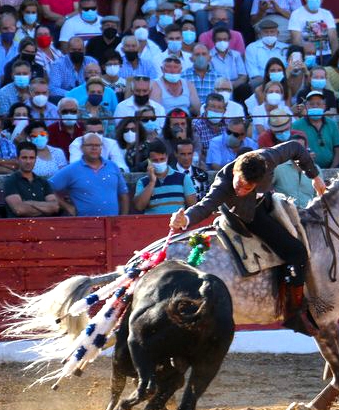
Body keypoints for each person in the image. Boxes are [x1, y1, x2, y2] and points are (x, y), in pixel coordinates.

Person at [169, 142, 326, 335]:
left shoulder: (268, 158)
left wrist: (315, 177)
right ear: (235, 171)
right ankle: (294, 312)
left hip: (267, 203)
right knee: (297, 252)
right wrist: (185, 219)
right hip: (243, 216)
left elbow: (297, 148)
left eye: (248, 187)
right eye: (240, 184)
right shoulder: (224, 185)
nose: (242, 190)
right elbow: (206, 206)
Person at [49, 132, 130, 217]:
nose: (94, 148)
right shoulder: (72, 169)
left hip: (111, 225)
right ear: (82, 148)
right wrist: (67, 207)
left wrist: (122, 220)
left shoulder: (112, 166)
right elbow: (46, 188)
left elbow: (123, 194)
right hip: (84, 226)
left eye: (97, 145)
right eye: (90, 145)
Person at [133, 140, 197, 215]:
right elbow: (139, 206)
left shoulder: (183, 178)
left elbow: (192, 207)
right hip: (152, 225)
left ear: (167, 158)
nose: (159, 162)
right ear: (149, 161)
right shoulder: (143, 182)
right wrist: (151, 182)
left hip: (177, 224)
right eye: (155, 160)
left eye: (162, 159)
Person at [3, 141, 60, 217]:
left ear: (36, 159)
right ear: (17, 159)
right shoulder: (11, 181)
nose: (28, 161)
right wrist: (46, 209)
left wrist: (29, 203)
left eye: (31, 158)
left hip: (44, 226)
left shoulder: (43, 182)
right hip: (19, 226)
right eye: (24, 158)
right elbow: (19, 210)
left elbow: (55, 207)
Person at [291, 90, 339, 168]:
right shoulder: (297, 125)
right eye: (311, 104)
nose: (315, 106)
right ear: (306, 107)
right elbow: (292, 151)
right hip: (305, 168)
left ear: (324, 106)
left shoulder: (332, 124)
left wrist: (332, 169)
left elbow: (338, 149)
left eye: (318, 104)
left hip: (330, 167)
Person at [289, 0, 338, 64]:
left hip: (326, 56)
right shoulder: (296, 14)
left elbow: (333, 38)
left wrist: (335, 59)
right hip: (306, 56)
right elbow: (296, 40)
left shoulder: (327, 14)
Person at [272, 130, 316, 208]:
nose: (297, 152)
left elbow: (319, 196)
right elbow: (267, 189)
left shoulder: (316, 169)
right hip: (287, 214)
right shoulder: (278, 168)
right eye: (294, 148)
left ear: (306, 149)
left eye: (301, 148)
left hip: (310, 215)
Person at [246, 20, 287, 87]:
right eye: (266, 32)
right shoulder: (252, 48)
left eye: (272, 32)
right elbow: (254, 74)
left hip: (283, 81)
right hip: (261, 83)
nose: (269, 35)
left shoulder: (285, 48)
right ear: (260, 34)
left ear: (278, 33)